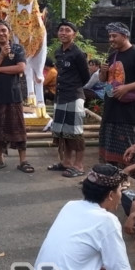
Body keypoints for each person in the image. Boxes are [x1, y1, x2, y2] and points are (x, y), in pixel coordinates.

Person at [34, 164, 134, 270]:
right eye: (120, 191)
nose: (120, 197)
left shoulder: (70, 206)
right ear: (110, 195)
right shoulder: (107, 221)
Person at [98, 22, 135, 168]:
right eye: (109, 36)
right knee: (107, 147)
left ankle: (124, 178)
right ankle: (109, 177)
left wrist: (126, 88)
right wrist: (103, 72)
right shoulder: (112, 55)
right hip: (110, 108)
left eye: (114, 36)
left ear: (125, 35)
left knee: (125, 148)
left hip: (127, 112)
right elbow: (104, 80)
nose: (111, 39)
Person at [0, 20, 31, 173]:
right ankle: (0, 159)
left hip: (14, 95)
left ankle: (23, 161)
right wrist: (1, 56)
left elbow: (21, 67)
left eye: (4, 30)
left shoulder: (17, 49)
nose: (1, 33)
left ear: (9, 32)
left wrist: (0, 69)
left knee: (18, 129)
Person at [48, 21, 91, 178]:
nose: (63, 33)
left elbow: (85, 76)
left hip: (74, 96)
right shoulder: (59, 51)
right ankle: (66, 162)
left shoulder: (78, 53)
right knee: (62, 132)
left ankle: (79, 166)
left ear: (74, 34)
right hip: (60, 96)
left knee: (76, 133)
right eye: (61, 30)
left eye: (67, 30)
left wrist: (74, 86)